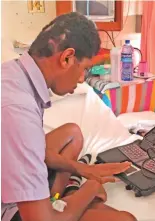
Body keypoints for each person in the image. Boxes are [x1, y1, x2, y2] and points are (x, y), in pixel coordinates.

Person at [1, 12, 136, 221]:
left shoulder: (12, 73)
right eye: (84, 69)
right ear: (66, 58)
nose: (82, 79)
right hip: (10, 208)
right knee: (124, 219)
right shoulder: (18, 111)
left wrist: (81, 168)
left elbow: (31, 150)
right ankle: (67, 195)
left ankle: (61, 197)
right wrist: (90, 187)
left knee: (72, 132)